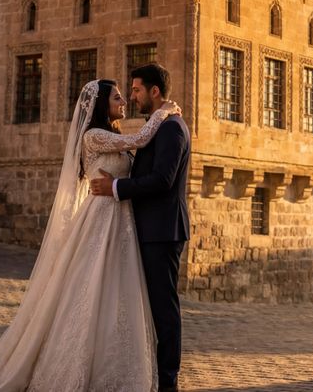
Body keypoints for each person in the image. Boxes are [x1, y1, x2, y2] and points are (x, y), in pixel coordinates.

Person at [0, 79, 178, 391]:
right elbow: (140, 138)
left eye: (126, 96)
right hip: (101, 216)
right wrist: (164, 112)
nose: (124, 102)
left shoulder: (111, 135)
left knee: (118, 290)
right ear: (101, 105)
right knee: (90, 285)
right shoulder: (93, 135)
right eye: (117, 97)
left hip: (121, 219)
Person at [89, 63, 191, 392]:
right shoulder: (156, 125)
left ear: (154, 91)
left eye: (135, 90)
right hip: (146, 230)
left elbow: (162, 180)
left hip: (162, 231)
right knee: (145, 307)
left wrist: (116, 187)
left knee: (164, 309)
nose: (132, 97)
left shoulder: (172, 128)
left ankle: (168, 383)